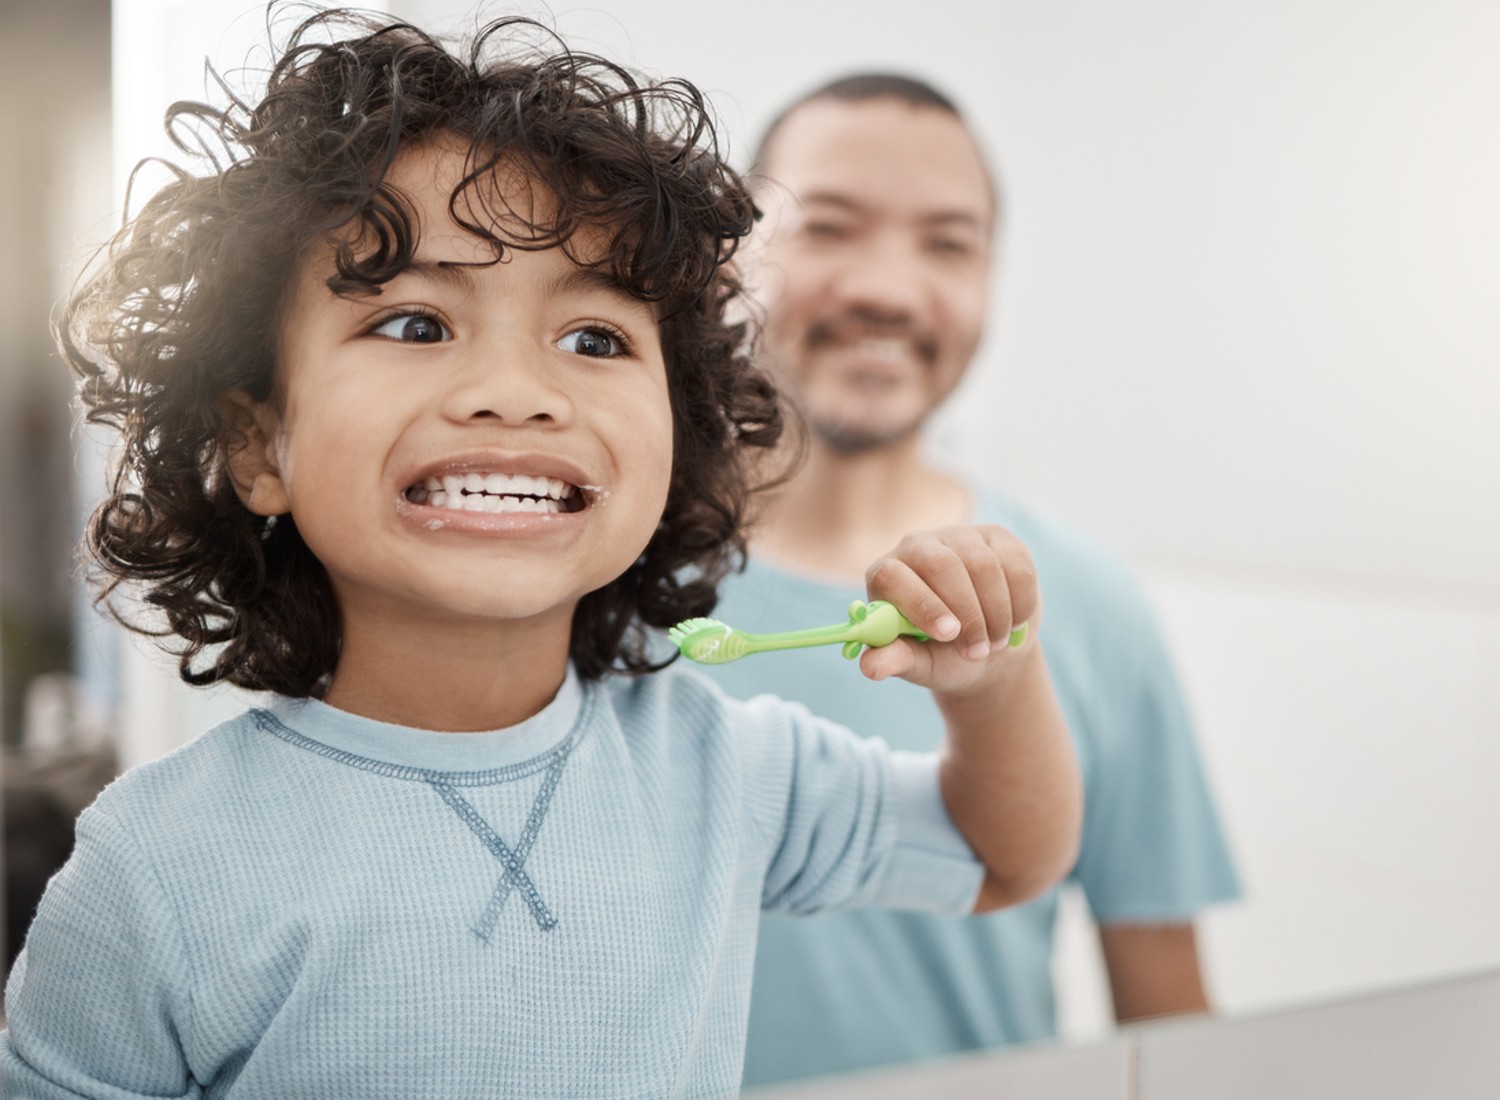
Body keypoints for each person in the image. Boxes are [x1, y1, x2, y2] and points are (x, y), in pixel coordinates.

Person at [0, 13, 1084, 1098]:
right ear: (255, 444)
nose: (518, 392)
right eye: (418, 323)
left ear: (679, 429)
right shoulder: (153, 863)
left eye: (595, 339)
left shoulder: (725, 770)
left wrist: (995, 685)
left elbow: (1003, 855)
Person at [697, 75, 1243, 1085]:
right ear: (731, 254)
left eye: (947, 243)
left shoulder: (1087, 604)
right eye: (830, 226)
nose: (890, 290)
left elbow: (1173, 1021)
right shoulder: (600, 583)